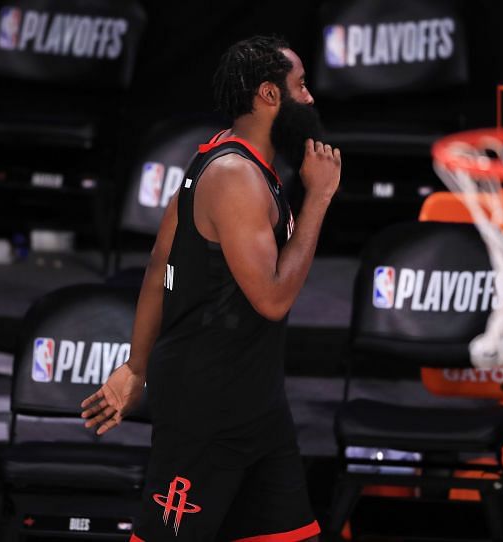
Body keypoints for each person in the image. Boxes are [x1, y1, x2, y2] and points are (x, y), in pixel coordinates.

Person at [80, 35, 340, 542]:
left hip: (257, 405)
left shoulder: (221, 156)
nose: (309, 98)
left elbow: (158, 268)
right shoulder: (232, 177)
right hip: (209, 406)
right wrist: (319, 199)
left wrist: (137, 366)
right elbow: (272, 298)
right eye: (300, 85)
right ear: (269, 94)